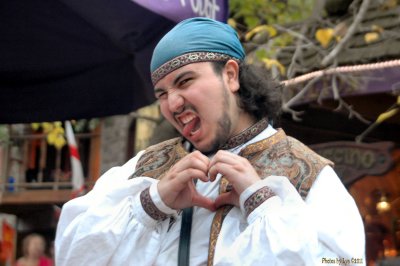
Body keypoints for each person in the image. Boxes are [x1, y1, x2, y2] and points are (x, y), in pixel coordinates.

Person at [55, 17, 365, 266]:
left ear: (230, 75)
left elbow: (345, 261)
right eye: (161, 94)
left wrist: (263, 204)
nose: (172, 104)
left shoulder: (307, 172)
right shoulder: (143, 168)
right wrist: (152, 203)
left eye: (185, 81)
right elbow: (72, 255)